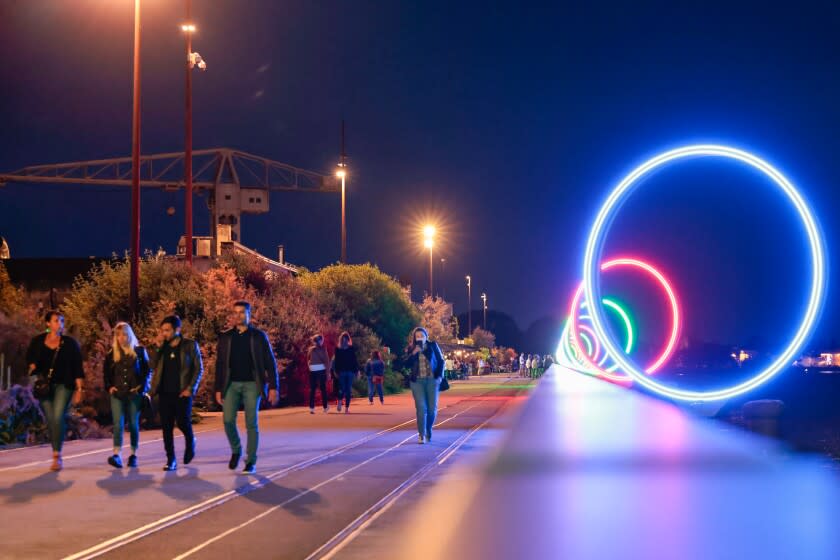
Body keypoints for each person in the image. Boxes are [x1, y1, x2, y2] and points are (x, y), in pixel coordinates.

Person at [215, 301, 279, 474]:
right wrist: (218, 388)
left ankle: (250, 461)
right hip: (231, 385)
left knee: (251, 423)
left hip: (252, 384)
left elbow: (270, 363)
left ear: (249, 315)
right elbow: (220, 364)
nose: (238, 316)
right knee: (228, 420)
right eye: (235, 313)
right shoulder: (226, 337)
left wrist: (273, 386)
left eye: (242, 312)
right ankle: (236, 450)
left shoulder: (258, 336)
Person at [26, 310, 85, 471]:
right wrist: (33, 368)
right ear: (48, 323)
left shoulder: (70, 343)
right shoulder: (37, 341)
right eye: (56, 321)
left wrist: (79, 388)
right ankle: (56, 449)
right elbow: (30, 359)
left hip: (64, 386)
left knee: (58, 417)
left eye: (62, 321)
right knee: (51, 419)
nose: (60, 324)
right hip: (44, 387)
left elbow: (77, 366)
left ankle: (57, 455)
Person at [149, 315, 203, 472]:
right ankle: (171, 459)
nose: (164, 333)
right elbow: (152, 365)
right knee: (166, 427)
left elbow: (198, 368)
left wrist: (190, 388)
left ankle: (190, 441)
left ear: (177, 330)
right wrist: (158, 347)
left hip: (182, 393)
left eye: (167, 330)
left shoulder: (189, 346)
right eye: (162, 330)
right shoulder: (162, 347)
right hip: (164, 393)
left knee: (183, 423)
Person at [103, 322, 152, 469]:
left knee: (133, 423)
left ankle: (133, 454)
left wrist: (142, 387)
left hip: (133, 393)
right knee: (118, 423)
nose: (121, 338)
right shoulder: (111, 354)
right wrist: (109, 387)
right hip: (117, 393)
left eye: (124, 334)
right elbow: (106, 373)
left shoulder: (139, 352)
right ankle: (117, 454)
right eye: (118, 335)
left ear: (129, 335)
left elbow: (147, 371)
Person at [404, 327, 444, 444]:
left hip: (432, 381)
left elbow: (441, 361)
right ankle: (421, 434)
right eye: (417, 336)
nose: (420, 337)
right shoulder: (411, 348)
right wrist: (413, 353)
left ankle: (428, 429)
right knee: (421, 408)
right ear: (415, 338)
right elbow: (405, 364)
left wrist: (439, 377)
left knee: (432, 409)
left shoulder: (432, 346)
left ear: (426, 336)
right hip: (417, 382)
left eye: (422, 335)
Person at [332, 332, 359, 413]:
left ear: (348, 339)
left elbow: (354, 360)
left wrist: (357, 371)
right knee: (342, 388)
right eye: (343, 339)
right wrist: (336, 371)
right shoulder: (337, 349)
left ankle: (347, 408)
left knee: (348, 390)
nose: (344, 340)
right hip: (342, 371)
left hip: (350, 371)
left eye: (346, 339)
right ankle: (340, 401)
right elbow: (336, 362)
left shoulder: (351, 348)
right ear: (341, 340)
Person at [307, 334, 330, 414]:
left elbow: (308, 359)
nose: (322, 342)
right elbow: (326, 361)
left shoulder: (310, 349)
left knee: (313, 389)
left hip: (312, 370)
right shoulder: (323, 349)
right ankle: (325, 407)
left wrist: (310, 367)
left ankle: (311, 408)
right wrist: (328, 373)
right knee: (323, 388)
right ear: (320, 341)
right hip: (321, 369)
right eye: (322, 340)